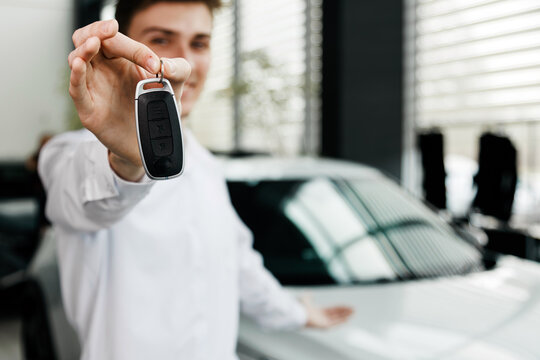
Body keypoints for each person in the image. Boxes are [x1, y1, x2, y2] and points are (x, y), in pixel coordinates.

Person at [38, 1, 353, 359]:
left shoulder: (206, 165)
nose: (184, 62)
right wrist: (128, 158)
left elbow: (239, 265)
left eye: (199, 43)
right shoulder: (72, 154)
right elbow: (86, 199)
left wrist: (298, 314)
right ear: (122, 46)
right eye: (162, 39)